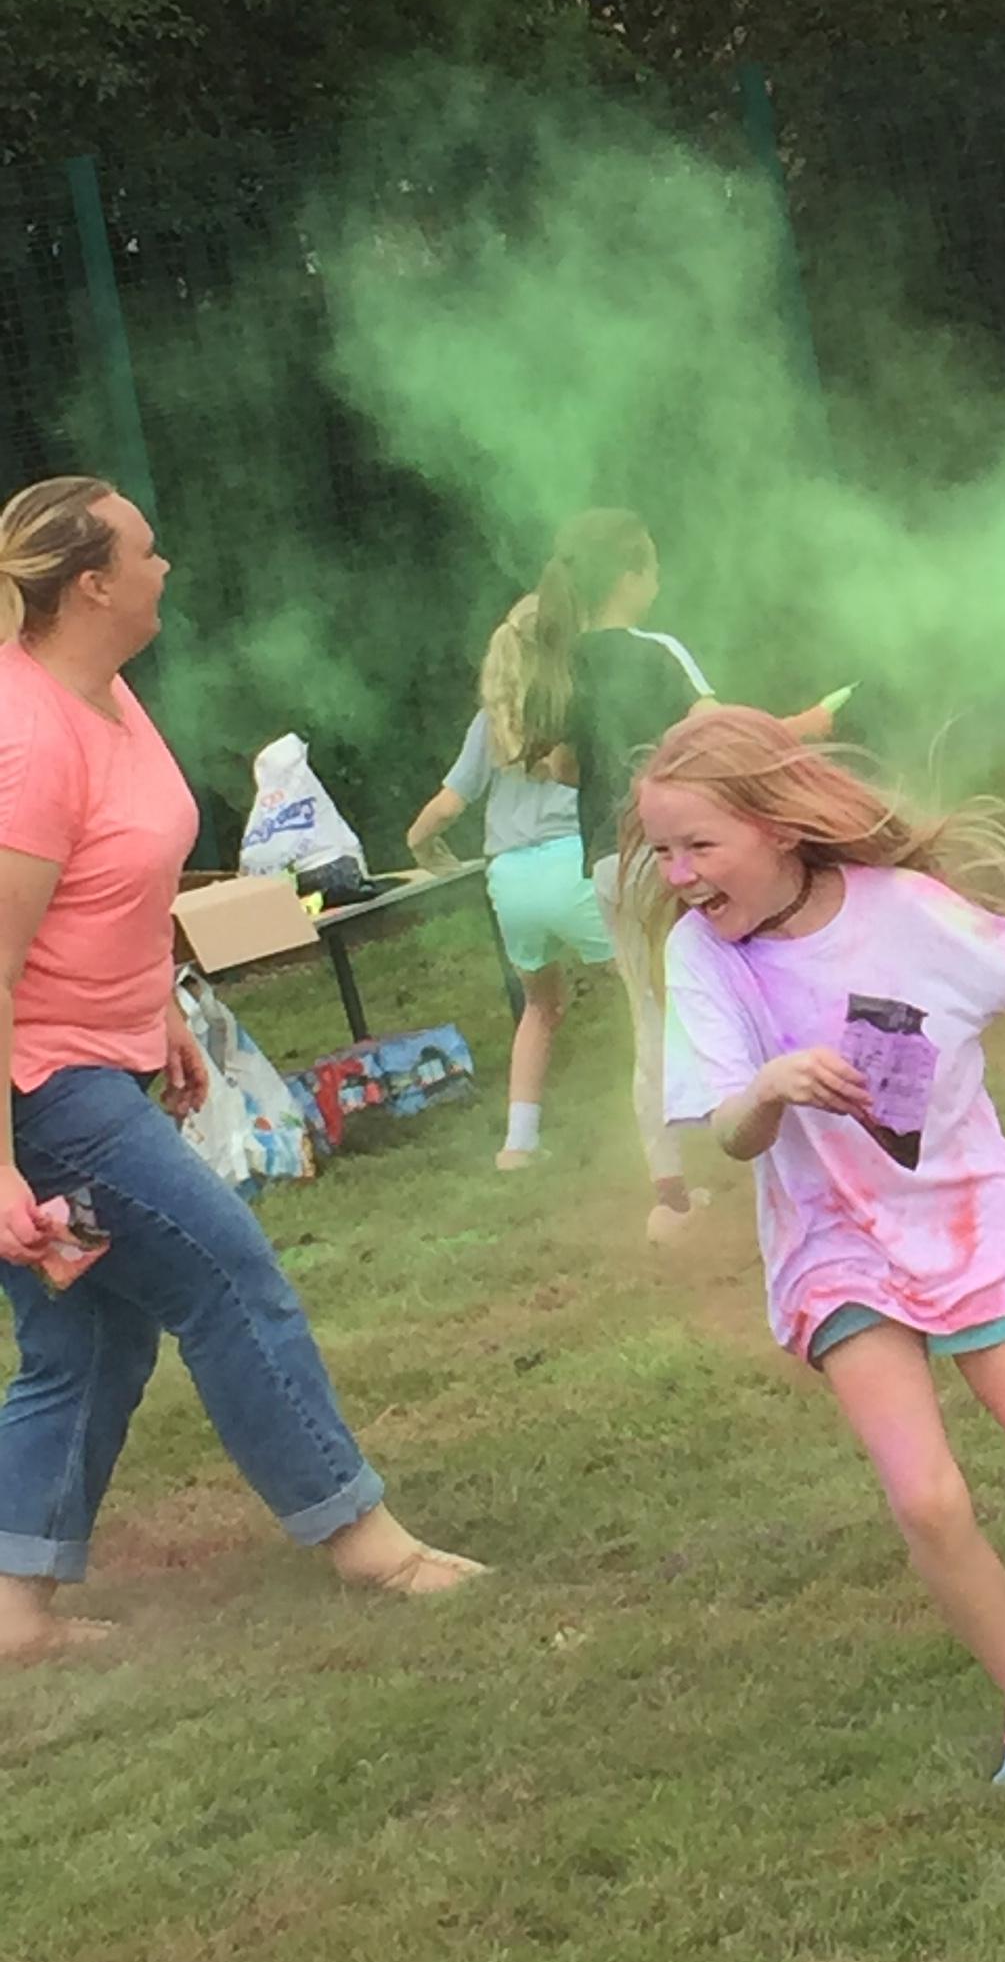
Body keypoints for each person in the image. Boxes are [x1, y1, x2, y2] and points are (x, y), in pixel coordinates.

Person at [634, 707, 1005, 1785]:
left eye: (698, 845)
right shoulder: (701, 954)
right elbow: (729, 1132)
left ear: (778, 827)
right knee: (926, 1496)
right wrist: (771, 1085)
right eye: (663, 850)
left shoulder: (901, 910)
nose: (677, 875)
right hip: (833, 1250)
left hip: (962, 1220)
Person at [0, 477, 484, 1659]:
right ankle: (364, 1540)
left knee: (89, 1340)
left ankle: (9, 1611)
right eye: (146, 551)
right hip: (46, 1095)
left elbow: (114, 885)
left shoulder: (107, 691)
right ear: (92, 584)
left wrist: (159, 1003)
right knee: (228, 1276)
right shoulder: (28, 736)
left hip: (94, 1061)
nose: (164, 566)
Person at [507, 509, 833, 1246]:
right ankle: (793, 1151)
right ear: (631, 577)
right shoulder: (656, 653)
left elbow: (562, 768)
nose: (656, 579)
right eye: (651, 566)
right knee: (754, 982)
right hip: (680, 857)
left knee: (649, 1018)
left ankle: (672, 1197)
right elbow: (723, 739)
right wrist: (805, 726)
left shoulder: (559, 667)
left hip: (608, 864)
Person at [405, 597, 612, 1172]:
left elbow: (449, 804)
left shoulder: (490, 723)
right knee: (656, 985)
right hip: (574, 864)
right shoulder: (576, 706)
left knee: (540, 1006)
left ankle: (517, 1144)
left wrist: (419, 844)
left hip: (511, 880)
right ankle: (699, 1106)